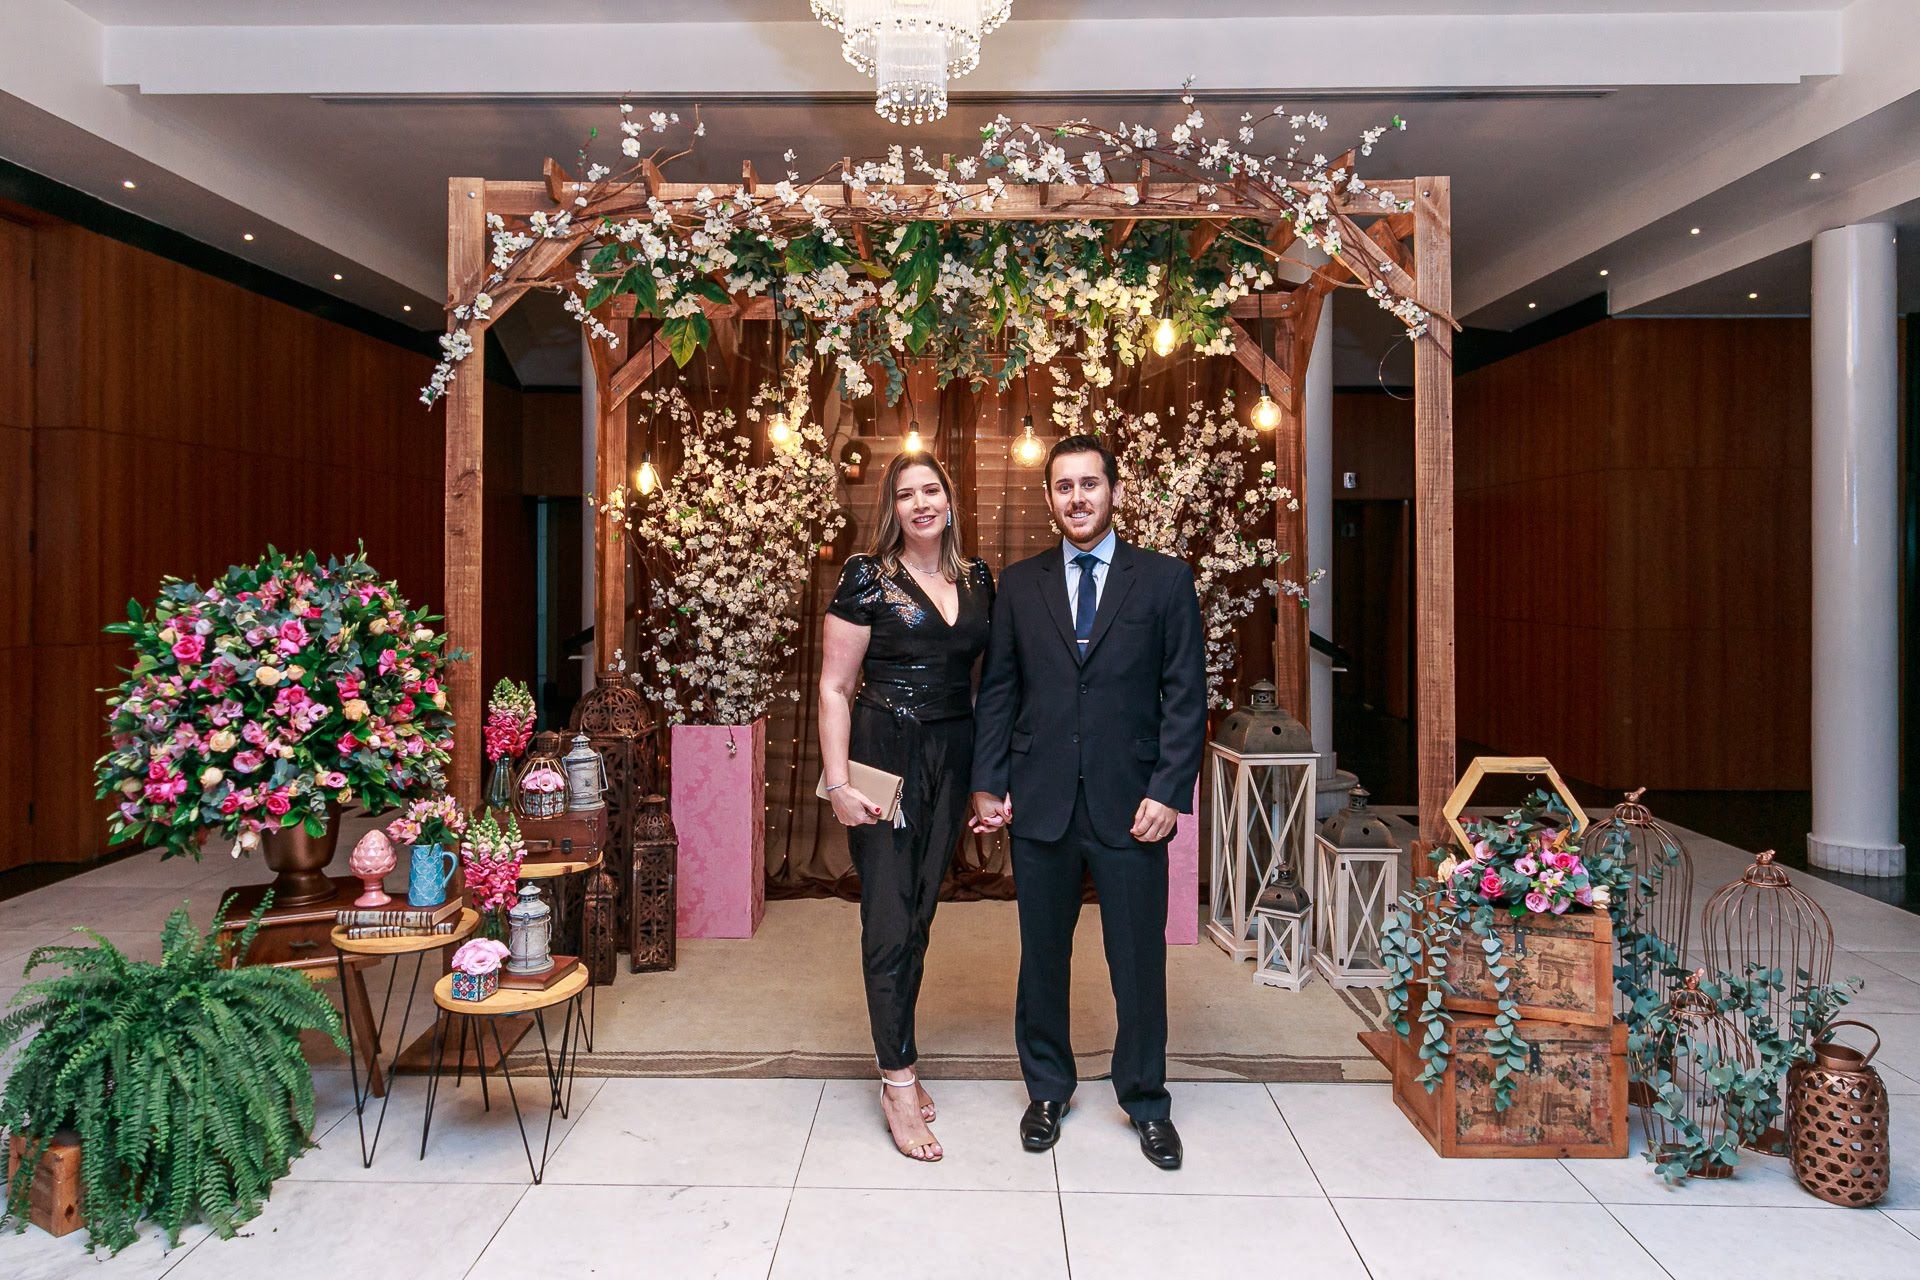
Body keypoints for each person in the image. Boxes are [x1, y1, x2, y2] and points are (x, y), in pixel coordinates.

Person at [968, 433, 1206, 1171]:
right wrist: (987, 780)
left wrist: (1169, 791)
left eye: (1089, 484)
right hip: (1041, 802)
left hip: (1133, 806)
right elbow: (999, 690)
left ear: (1114, 491)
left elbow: (1185, 695)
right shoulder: (1020, 584)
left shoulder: (1163, 580)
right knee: (1042, 957)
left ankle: (1146, 1100)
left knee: (1137, 960)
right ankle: (1047, 1089)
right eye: (1064, 486)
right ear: (1049, 499)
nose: (1077, 497)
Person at [819, 451, 995, 1163]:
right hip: (882, 754)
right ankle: (897, 1082)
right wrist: (838, 783)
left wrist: (986, 778)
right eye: (905, 494)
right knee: (889, 917)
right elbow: (835, 687)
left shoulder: (978, 578)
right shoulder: (867, 575)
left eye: (931, 490)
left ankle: (901, 1053)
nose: (920, 504)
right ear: (891, 508)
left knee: (921, 912)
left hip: (952, 755)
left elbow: (989, 684)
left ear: (950, 500)